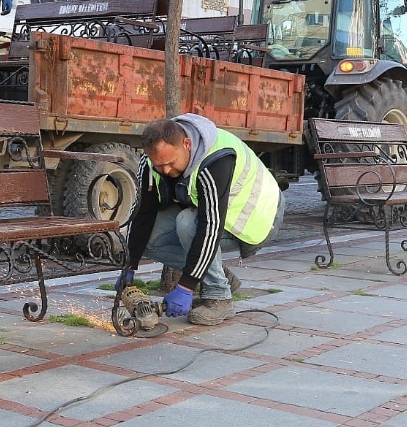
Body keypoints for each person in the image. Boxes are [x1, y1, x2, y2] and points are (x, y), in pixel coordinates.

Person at [116, 115, 285, 326]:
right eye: (159, 165)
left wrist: (186, 286)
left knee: (187, 222)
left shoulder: (215, 160)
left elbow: (210, 227)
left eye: (170, 163)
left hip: (260, 215)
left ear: (186, 144)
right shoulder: (151, 163)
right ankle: (218, 277)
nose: (165, 171)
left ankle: (219, 297)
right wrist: (129, 265)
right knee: (149, 238)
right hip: (210, 216)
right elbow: (142, 213)